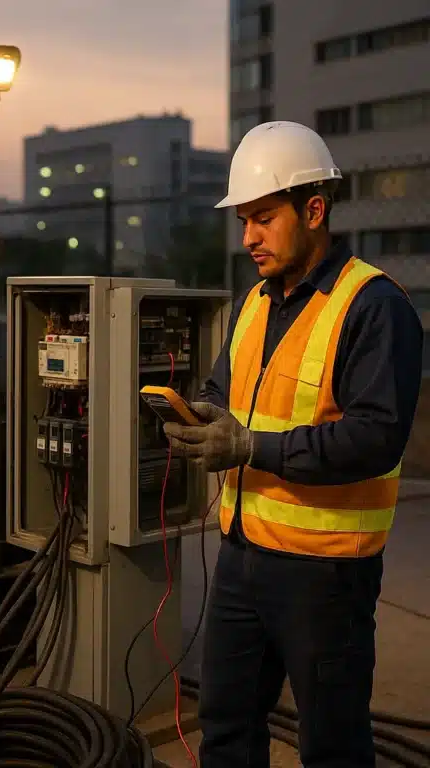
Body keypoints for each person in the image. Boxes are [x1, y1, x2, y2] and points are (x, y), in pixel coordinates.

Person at [164, 122, 423, 768]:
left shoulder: (372, 306)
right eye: (243, 222)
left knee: (332, 745)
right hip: (241, 558)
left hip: (325, 574)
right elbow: (224, 389)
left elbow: (375, 439)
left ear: (313, 211)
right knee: (226, 729)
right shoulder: (254, 302)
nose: (248, 238)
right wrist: (203, 414)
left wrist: (251, 446)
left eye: (263, 219)